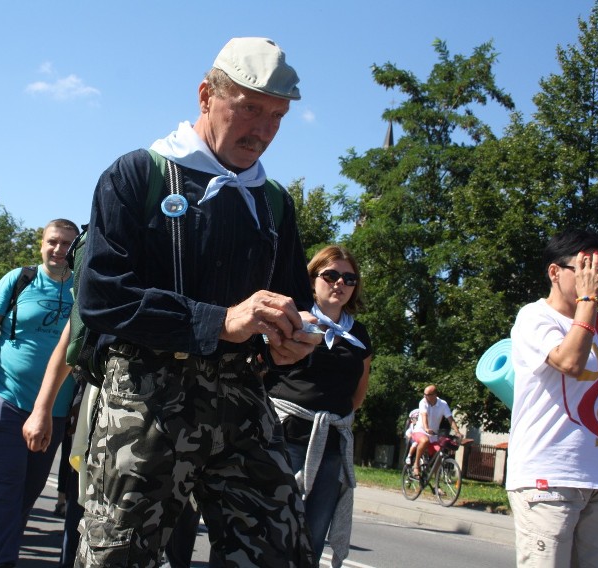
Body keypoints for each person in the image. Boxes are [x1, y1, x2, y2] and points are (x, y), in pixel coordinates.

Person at [73, 37, 319, 567]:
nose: (263, 130)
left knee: (280, 552)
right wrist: (221, 320)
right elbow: (102, 295)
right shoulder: (136, 174)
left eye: (277, 116)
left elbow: (293, 300)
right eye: (250, 108)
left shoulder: (274, 203)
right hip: (145, 396)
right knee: (118, 556)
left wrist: (293, 340)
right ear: (207, 95)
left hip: (242, 396)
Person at [0, 218, 80, 568]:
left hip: (55, 409)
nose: (58, 250)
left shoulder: (83, 289)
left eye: (66, 245)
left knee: (28, 492)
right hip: (6, 397)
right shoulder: (19, 279)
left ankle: (3, 550)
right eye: (52, 242)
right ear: (42, 243)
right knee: (6, 485)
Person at [266, 244, 372, 566]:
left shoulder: (360, 335)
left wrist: (327, 419)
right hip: (283, 441)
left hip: (331, 448)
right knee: (271, 531)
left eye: (349, 279)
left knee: (312, 539)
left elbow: (358, 395)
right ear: (313, 279)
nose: (340, 283)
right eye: (331, 275)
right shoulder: (294, 319)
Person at [508, 228, 598, 567]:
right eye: (585, 269)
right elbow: (569, 362)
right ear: (555, 272)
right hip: (547, 480)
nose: (594, 279)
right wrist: (587, 302)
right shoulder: (534, 317)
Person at [411, 385, 462, 477]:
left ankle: (436, 484)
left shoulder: (443, 404)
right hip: (420, 431)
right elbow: (424, 415)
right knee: (424, 440)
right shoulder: (423, 402)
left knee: (440, 453)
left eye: (428, 395)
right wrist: (426, 428)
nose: (425, 396)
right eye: (424, 394)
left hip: (433, 435)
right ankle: (416, 465)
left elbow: (450, 418)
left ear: (435, 395)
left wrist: (457, 432)